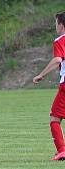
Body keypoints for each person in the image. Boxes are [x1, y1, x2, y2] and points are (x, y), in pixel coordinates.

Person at [32, 11, 65, 160]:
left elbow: (58, 60)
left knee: (54, 118)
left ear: (61, 24)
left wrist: (41, 75)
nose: (55, 26)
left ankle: (62, 150)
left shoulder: (60, 40)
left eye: (56, 23)